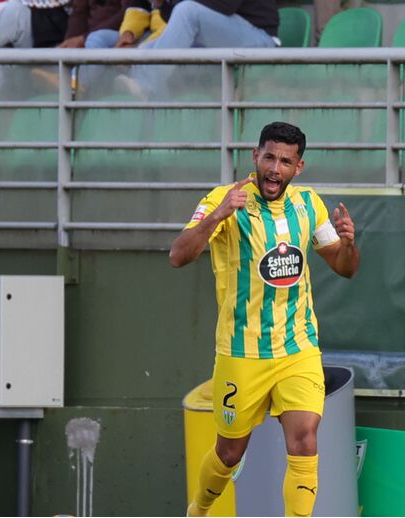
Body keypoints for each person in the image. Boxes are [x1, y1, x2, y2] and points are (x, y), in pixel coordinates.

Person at [169, 122, 359, 517]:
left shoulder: (309, 205)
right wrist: (216, 216)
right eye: (269, 157)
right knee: (229, 452)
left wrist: (350, 245)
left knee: (305, 438)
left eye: (285, 161)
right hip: (242, 350)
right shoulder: (224, 199)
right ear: (255, 156)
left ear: (299, 167)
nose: (275, 168)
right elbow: (178, 255)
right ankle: (199, 510)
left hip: (298, 347)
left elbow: (343, 266)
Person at [115, 0, 279, 99]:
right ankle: (142, 89)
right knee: (149, 48)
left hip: (260, 39)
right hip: (229, 36)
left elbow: (224, 5)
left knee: (187, 11)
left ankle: (146, 84)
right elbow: (179, 17)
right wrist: (163, 4)